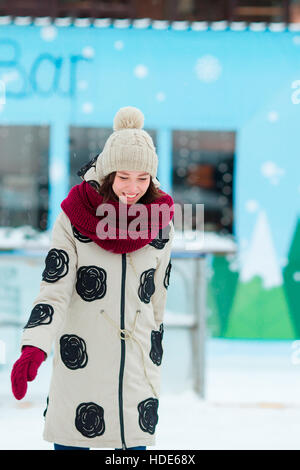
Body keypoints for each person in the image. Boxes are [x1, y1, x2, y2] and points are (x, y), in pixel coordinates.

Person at [10, 106, 175, 451]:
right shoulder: (74, 218)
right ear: (107, 173)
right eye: (124, 176)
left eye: (142, 178)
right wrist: (34, 346)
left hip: (136, 370)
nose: (132, 188)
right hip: (80, 363)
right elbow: (54, 289)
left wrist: (153, 346)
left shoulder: (161, 223)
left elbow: (157, 297)